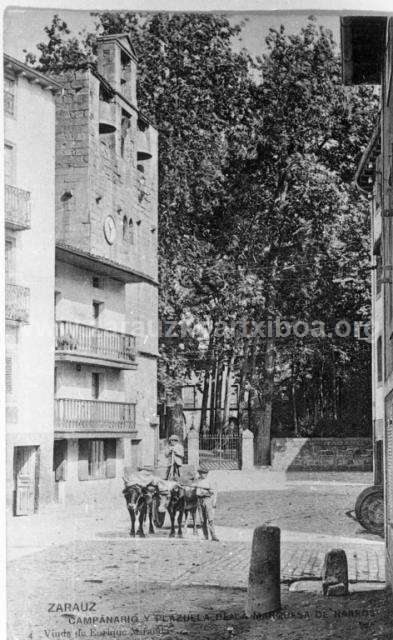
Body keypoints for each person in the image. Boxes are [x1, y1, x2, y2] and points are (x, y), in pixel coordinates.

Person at [196, 466, 219, 541]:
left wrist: (205, 492)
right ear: (200, 473)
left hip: (207, 500)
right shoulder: (197, 481)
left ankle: (213, 536)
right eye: (202, 473)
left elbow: (212, 492)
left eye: (205, 473)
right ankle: (205, 535)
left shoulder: (209, 481)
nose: (204, 474)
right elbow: (196, 492)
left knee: (210, 518)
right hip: (200, 500)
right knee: (202, 520)